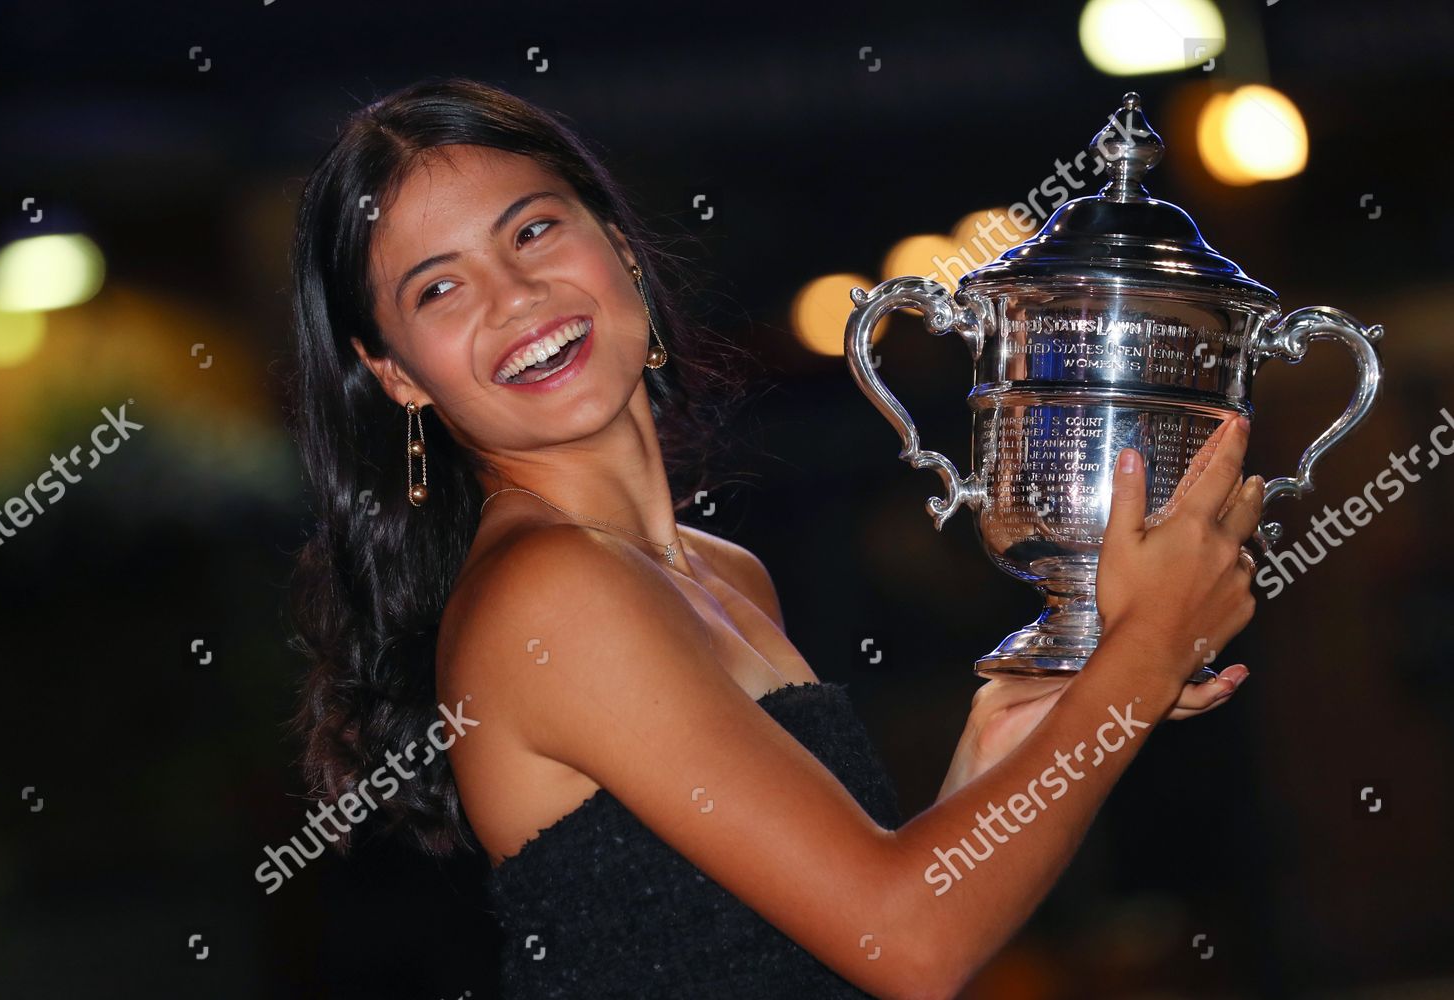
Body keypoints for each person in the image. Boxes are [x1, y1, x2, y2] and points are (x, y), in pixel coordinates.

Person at [285, 75, 1263, 999]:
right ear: (397, 374)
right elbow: (909, 944)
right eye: (438, 290)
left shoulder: (722, 575)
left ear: (618, 245)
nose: (512, 296)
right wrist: (1140, 660)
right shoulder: (549, 591)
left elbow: (848, 928)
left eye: (533, 231)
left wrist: (1024, 731)